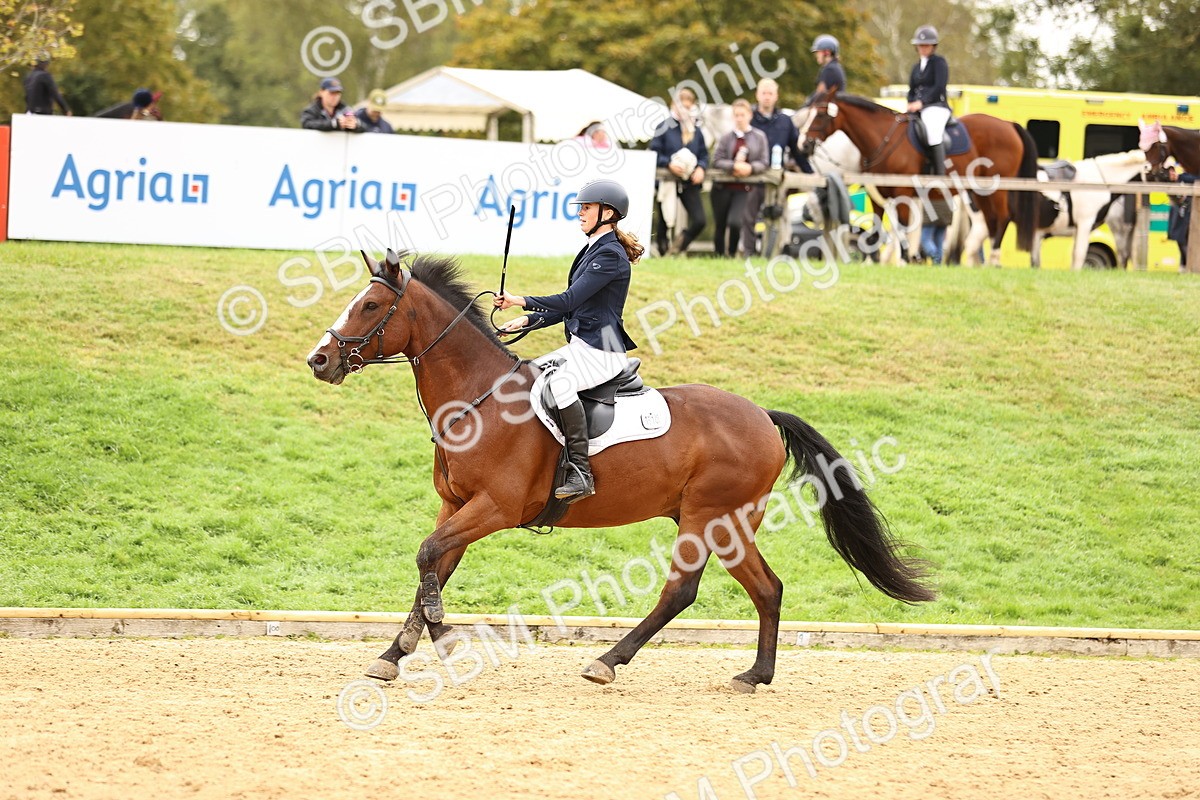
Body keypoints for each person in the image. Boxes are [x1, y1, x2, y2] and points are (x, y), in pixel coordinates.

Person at [493, 179, 643, 503]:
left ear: (608, 212)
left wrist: (519, 299)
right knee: (528, 375)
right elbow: (573, 307)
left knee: (561, 385)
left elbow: (567, 298)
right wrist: (528, 320)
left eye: (586, 208)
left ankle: (580, 471)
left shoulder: (612, 255)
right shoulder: (592, 250)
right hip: (581, 346)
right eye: (581, 209)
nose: (580, 214)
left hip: (602, 352)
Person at [745, 78, 807, 257]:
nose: (766, 97)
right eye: (763, 93)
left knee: (778, 215)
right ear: (757, 95)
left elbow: (796, 151)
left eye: (770, 93)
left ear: (776, 96)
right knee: (749, 216)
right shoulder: (749, 118)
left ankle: (777, 252)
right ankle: (748, 253)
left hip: (777, 177)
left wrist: (810, 173)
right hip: (753, 175)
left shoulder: (784, 121)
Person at [649, 87, 708, 256]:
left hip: (688, 183)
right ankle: (663, 253)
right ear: (674, 105)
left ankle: (677, 248)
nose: (685, 111)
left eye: (688, 108)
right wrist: (668, 164)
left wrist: (701, 168)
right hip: (666, 182)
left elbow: (704, 154)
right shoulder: (664, 127)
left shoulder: (696, 130)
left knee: (699, 220)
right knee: (664, 222)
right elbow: (655, 152)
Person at [713, 98, 769, 258]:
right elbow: (717, 160)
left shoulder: (759, 137)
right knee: (720, 223)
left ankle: (731, 253)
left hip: (744, 188)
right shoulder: (726, 137)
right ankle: (718, 256)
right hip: (723, 187)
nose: (739, 118)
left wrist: (750, 168)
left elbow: (764, 162)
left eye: (742, 115)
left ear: (749, 115)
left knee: (736, 222)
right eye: (736, 115)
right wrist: (733, 166)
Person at [907, 25, 951, 176]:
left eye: (926, 45)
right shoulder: (916, 67)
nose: (923, 48)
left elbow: (939, 86)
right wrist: (911, 102)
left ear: (933, 46)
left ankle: (940, 173)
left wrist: (922, 102)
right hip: (918, 108)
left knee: (933, 133)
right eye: (920, 45)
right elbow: (911, 89)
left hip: (936, 106)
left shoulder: (939, 63)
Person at [1167, 164, 1195, 271]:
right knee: (1180, 236)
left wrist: (1179, 177)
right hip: (1183, 207)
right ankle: (1184, 264)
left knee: (1186, 237)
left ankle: (1187, 265)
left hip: (1192, 208)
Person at [810, 34, 846, 99]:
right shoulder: (835, 67)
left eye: (818, 52)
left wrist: (804, 106)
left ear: (827, 52)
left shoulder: (829, 69)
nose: (816, 56)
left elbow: (819, 94)